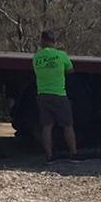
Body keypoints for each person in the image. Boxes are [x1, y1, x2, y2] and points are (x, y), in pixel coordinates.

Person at [33, 30, 77, 162]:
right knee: (68, 125)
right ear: (54, 42)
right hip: (59, 94)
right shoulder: (61, 55)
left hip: (42, 94)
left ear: (42, 41)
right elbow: (70, 70)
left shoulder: (37, 57)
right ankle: (73, 154)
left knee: (47, 126)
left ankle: (49, 156)